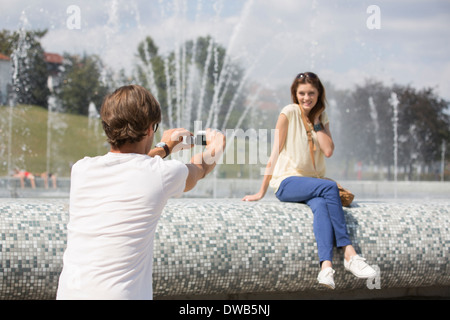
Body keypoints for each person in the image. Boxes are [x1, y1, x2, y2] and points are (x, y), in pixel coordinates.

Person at [56, 84, 225, 300]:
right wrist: (216, 146)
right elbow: (199, 169)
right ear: (149, 129)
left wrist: (165, 147)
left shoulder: (81, 169)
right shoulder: (162, 174)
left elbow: (130, 164)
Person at [242, 72, 376, 289]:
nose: (306, 98)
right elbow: (274, 153)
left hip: (314, 186)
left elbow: (328, 150)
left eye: (311, 93)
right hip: (287, 182)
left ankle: (325, 268)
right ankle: (350, 253)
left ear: (319, 94)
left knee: (322, 205)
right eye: (302, 93)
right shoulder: (288, 112)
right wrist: (261, 191)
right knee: (329, 186)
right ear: (295, 94)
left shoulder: (321, 119)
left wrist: (315, 121)